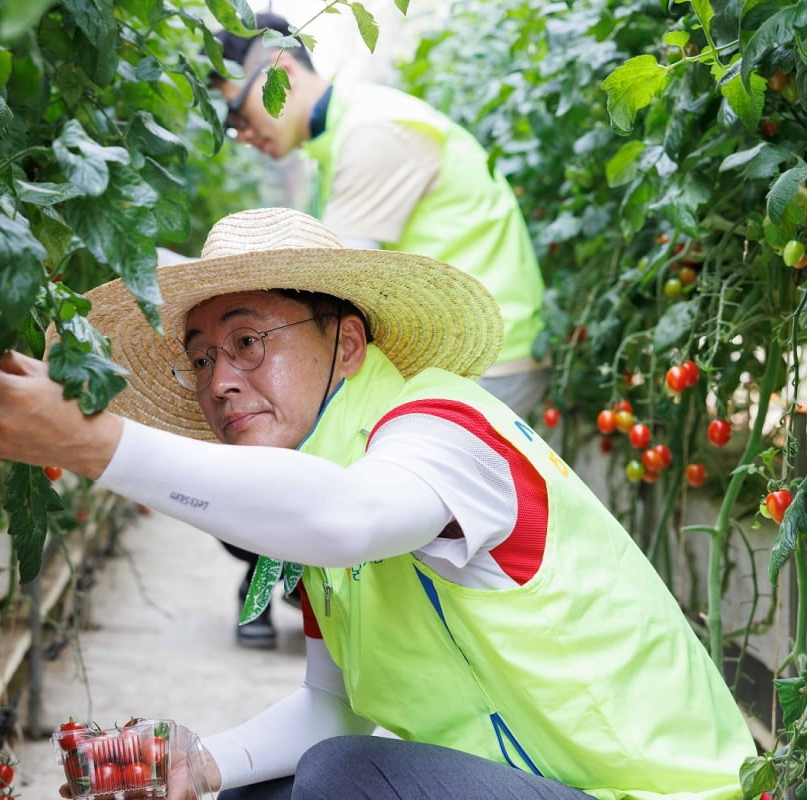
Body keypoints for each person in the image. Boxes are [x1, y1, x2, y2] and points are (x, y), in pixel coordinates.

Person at [0, 207, 755, 800]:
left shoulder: (445, 428)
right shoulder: (322, 487)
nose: (220, 378)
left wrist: (92, 444)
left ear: (349, 343)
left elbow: (347, 518)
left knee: (339, 783)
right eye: (202, 355)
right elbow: (332, 708)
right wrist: (201, 761)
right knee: (272, 791)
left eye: (249, 341)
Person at [209, 13, 553, 635]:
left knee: (296, 468)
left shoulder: (377, 133)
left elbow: (333, 288)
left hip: (483, 370)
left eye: (235, 114)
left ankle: (298, 585)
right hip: (452, 366)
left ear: (276, 70)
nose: (239, 133)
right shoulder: (345, 137)